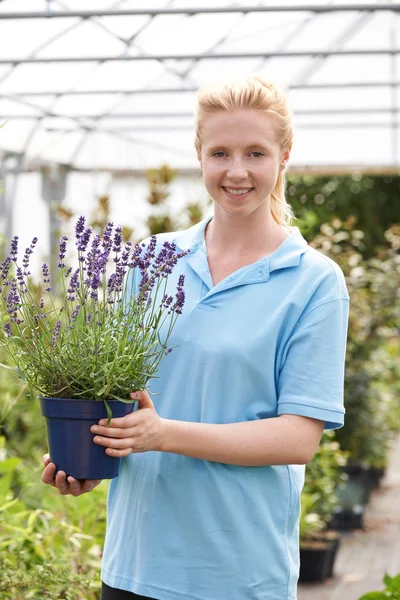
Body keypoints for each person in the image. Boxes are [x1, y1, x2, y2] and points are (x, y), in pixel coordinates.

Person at [42, 75, 349, 600]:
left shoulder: (313, 281)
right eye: (220, 153)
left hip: (237, 573)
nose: (236, 171)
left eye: (255, 153)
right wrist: (91, 457)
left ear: (284, 156)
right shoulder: (151, 261)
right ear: (199, 155)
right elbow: (126, 398)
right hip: (135, 562)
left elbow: (298, 439)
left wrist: (163, 435)